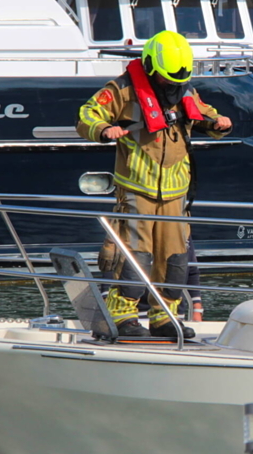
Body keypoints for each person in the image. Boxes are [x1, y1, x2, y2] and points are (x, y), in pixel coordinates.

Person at [77, 30, 232, 338]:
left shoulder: (184, 90)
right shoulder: (121, 90)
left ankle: (165, 317)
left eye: (177, 81)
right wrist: (104, 128)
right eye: (165, 80)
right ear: (149, 66)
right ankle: (123, 317)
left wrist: (218, 124)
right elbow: (86, 115)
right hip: (137, 188)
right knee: (135, 256)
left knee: (174, 258)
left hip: (176, 192)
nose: (171, 86)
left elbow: (206, 116)